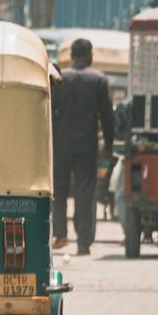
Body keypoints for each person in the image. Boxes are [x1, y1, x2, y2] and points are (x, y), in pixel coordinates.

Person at [51, 37, 115, 255]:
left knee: (58, 190)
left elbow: (50, 112)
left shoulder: (60, 78)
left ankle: (60, 235)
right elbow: (107, 116)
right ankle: (83, 243)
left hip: (60, 144)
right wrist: (109, 143)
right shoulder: (99, 80)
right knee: (84, 192)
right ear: (90, 56)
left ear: (71, 56)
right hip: (87, 145)